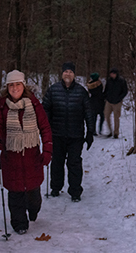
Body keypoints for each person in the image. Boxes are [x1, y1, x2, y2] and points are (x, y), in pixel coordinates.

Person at [0, 70, 53, 235]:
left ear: (23, 85)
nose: (14, 88)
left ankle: (33, 211)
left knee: (34, 196)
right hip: (11, 158)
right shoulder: (2, 105)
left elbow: (45, 127)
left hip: (32, 157)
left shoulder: (34, 104)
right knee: (16, 193)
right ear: (7, 87)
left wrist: (47, 150)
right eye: (11, 85)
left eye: (17, 84)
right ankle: (19, 223)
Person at [42, 61, 95, 202]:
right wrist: (46, 125)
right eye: (66, 71)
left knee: (74, 163)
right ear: (62, 73)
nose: (68, 74)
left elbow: (88, 112)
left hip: (75, 135)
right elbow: (44, 108)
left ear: (74, 75)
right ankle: (55, 187)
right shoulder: (53, 90)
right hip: (57, 134)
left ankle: (75, 191)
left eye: (70, 72)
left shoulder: (81, 92)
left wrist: (90, 132)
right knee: (57, 162)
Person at [103, 67, 128, 138]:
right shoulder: (109, 81)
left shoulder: (122, 81)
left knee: (116, 118)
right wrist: (105, 97)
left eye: (113, 73)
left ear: (116, 74)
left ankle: (116, 132)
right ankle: (110, 131)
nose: (112, 75)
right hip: (109, 101)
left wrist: (120, 98)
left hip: (117, 102)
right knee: (106, 115)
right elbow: (106, 89)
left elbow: (125, 91)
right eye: (111, 73)